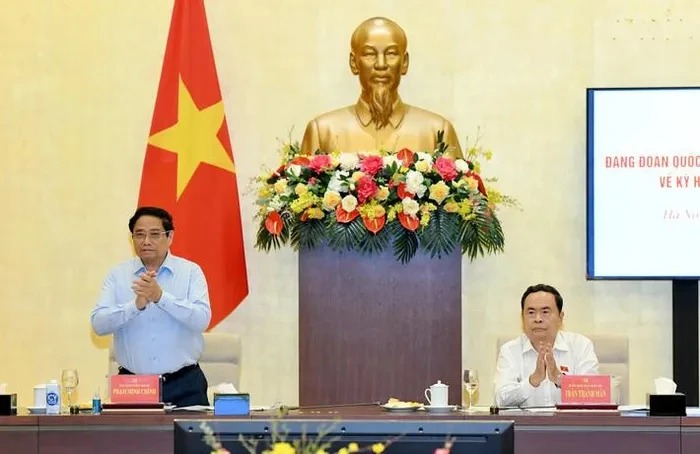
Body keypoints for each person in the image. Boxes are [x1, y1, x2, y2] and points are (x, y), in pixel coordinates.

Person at [91, 206, 212, 407]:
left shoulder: (191, 272)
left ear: (170, 236)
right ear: (132, 238)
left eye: (154, 234)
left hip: (185, 385)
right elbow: (98, 324)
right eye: (139, 234)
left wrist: (160, 297)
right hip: (132, 385)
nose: (146, 241)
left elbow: (202, 320)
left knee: (190, 430)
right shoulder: (117, 275)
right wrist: (135, 306)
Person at [300, 16, 462, 158]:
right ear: (354, 63)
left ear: (404, 62)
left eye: (391, 53)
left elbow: (462, 184)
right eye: (369, 54)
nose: (381, 64)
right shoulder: (323, 131)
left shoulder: (437, 131)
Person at [494, 284, 599, 408]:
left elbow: (595, 396)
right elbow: (500, 400)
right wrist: (533, 381)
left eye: (545, 312)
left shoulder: (581, 346)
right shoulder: (510, 350)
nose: (538, 319)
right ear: (522, 317)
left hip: (569, 420)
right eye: (531, 312)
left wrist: (560, 379)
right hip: (527, 421)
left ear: (560, 317)